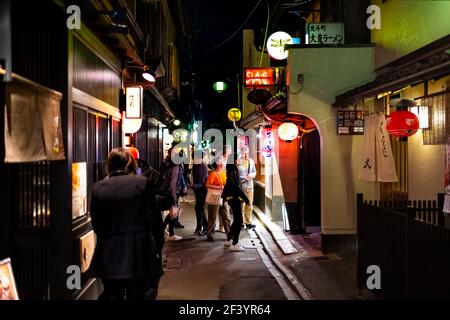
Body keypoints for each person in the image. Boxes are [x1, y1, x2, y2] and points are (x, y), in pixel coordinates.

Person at [88, 147, 169, 300]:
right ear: (131, 163)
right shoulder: (142, 184)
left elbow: (97, 224)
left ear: (109, 165)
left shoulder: (98, 188)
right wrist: (157, 247)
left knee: (113, 294)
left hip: (109, 251)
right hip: (139, 250)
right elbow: (154, 220)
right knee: (139, 294)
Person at [223, 159, 250, 252]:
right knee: (239, 221)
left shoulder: (230, 171)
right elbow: (236, 188)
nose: (239, 161)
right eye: (237, 159)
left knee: (236, 220)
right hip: (234, 199)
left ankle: (229, 239)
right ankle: (235, 243)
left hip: (231, 199)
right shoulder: (233, 172)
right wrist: (246, 199)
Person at [160, 147, 184, 240]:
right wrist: (174, 198)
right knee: (173, 212)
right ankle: (171, 234)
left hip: (167, 190)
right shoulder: (175, 166)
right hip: (172, 191)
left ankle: (166, 231)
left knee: (172, 212)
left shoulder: (167, 163)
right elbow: (172, 183)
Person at [205, 158, 229, 241]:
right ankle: (210, 234)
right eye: (220, 162)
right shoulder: (213, 174)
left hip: (223, 197)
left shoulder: (224, 173)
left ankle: (229, 234)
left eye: (222, 162)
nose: (222, 164)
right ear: (216, 164)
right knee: (213, 216)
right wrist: (218, 187)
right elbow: (207, 185)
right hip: (214, 198)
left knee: (226, 216)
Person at [237, 146, 257, 229]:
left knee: (249, 204)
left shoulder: (251, 161)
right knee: (241, 204)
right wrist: (243, 177)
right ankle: (241, 222)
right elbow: (236, 174)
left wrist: (251, 175)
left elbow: (254, 172)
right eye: (244, 152)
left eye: (247, 152)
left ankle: (248, 221)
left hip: (250, 185)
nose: (245, 154)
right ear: (241, 152)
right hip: (241, 186)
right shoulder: (238, 162)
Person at [191, 149, 208, 236]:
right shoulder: (196, 166)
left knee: (200, 209)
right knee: (198, 209)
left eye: (193, 158)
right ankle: (199, 227)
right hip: (198, 191)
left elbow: (202, 183)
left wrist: (193, 186)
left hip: (202, 192)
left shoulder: (202, 168)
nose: (192, 159)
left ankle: (205, 227)